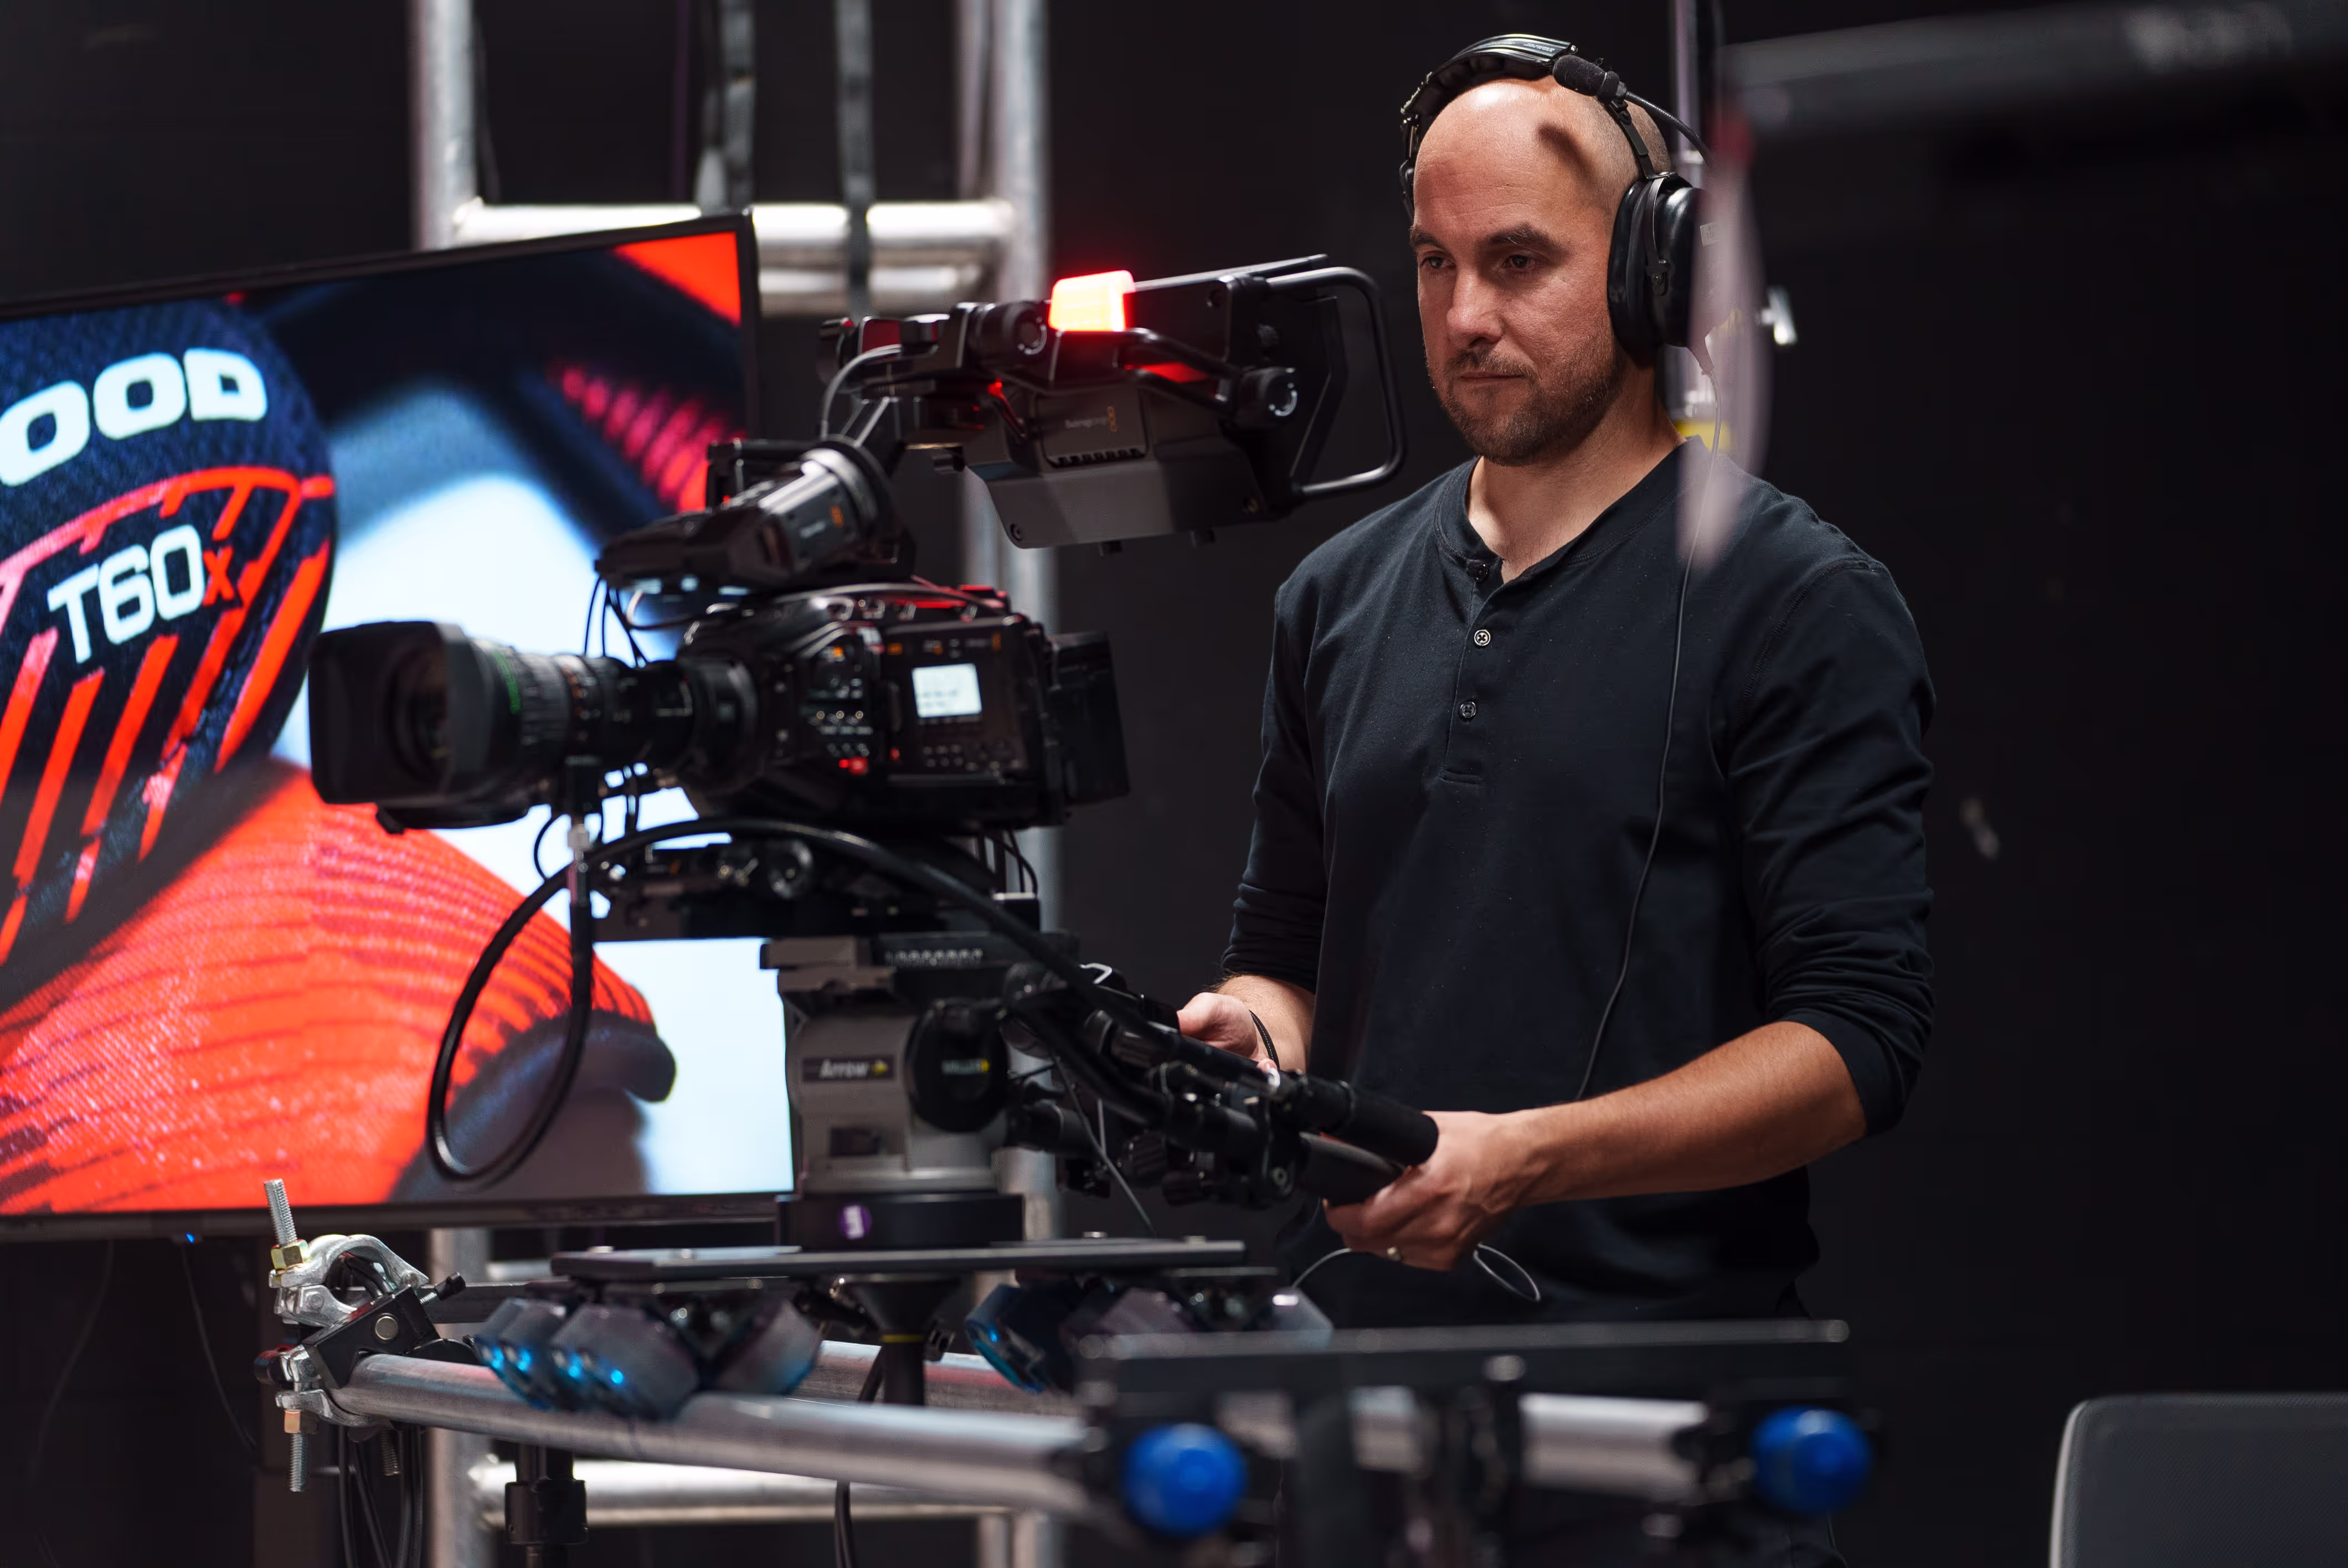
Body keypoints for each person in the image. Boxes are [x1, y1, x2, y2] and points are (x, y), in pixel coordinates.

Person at [1178, 48, 1935, 1334]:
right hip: (1351, 1401)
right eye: (1434, 262)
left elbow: (1854, 1045)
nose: (1465, 315)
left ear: (1652, 277)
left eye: (1517, 262)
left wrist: (1528, 1155)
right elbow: (1281, 961)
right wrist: (1251, 1034)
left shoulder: (1796, 599)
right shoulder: (1332, 596)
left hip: (1655, 1429)